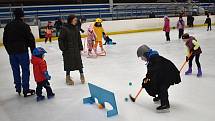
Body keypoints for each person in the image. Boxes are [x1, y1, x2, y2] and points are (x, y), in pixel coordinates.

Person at [137, 44, 181, 112]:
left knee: (162, 86)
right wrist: (146, 79)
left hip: (170, 74)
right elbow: (151, 73)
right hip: (166, 74)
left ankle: (165, 105)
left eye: (141, 57)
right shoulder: (152, 59)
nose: (142, 59)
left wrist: (147, 82)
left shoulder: (153, 60)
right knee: (159, 84)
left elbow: (153, 74)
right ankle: (161, 97)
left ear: (145, 54)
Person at [3, 8, 36, 97]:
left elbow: (5, 40)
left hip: (12, 53)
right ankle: (25, 90)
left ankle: (18, 88)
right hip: (22, 52)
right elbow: (31, 40)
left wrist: (9, 51)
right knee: (25, 70)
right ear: (22, 16)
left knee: (15, 70)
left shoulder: (8, 26)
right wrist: (33, 51)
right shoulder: (25, 26)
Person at [58, 14, 85, 85]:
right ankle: (68, 77)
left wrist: (80, 47)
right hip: (68, 50)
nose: (76, 21)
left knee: (79, 63)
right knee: (68, 63)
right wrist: (63, 48)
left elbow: (79, 39)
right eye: (75, 20)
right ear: (71, 20)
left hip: (76, 49)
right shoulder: (64, 28)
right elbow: (61, 39)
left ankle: (82, 75)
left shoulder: (76, 28)